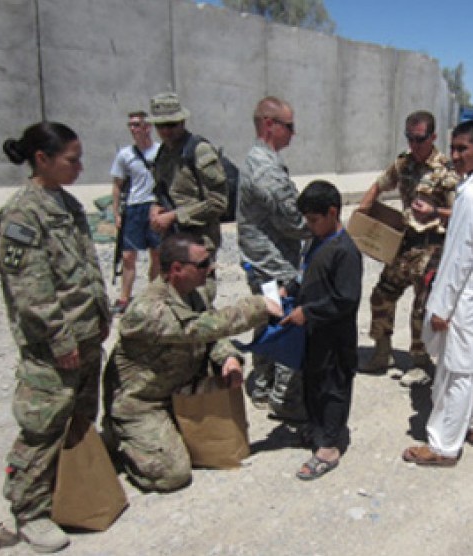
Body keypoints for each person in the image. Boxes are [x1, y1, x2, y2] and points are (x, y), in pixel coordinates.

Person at [0, 122, 112, 553]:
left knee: (80, 417)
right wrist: (59, 340)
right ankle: (29, 511)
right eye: (71, 159)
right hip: (53, 347)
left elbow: (85, 268)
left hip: (84, 336)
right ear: (42, 159)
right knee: (43, 428)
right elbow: (32, 293)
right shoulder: (23, 214)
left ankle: (70, 491)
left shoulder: (67, 204)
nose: (79, 167)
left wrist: (100, 314)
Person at [101, 233, 282, 492]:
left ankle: (168, 432)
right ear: (176, 269)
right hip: (144, 402)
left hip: (181, 391)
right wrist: (258, 306)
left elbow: (211, 334)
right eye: (202, 265)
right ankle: (119, 437)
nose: (209, 270)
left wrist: (228, 358)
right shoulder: (147, 310)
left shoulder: (192, 294)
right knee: (172, 475)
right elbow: (198, 328)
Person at [402, 120, 473, 466]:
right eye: (453, 148)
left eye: (463, 149)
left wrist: (442, 307)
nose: (456, 155)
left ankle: (444, 445)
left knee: (457, 369)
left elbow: (459, 257)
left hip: (469, 294)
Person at [357, 110, 460, 387]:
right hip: (405, 243)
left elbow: (462, 212)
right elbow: (379, 184)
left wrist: (435, 210)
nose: (414, 144)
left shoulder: (446, 170)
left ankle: (420, 362)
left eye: (420, 139)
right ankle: (382, 353)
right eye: (409, 138)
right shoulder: (404, 164)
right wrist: (361, 214)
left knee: (422, 307)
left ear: (433, 137)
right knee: (382, 295)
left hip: (433, 245)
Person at [279, 181, 363, 480]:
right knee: (313, 383)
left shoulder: (346, 252)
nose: (309, 226)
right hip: (314, 335)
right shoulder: (316, 241)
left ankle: (329, 447)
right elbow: (305, 275)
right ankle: (317, 431)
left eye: (314, 219)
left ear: (332, 212)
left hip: (336, 340)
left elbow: (346, 299)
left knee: (333, 388)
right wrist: (288, 289)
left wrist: (309, 312)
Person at [238, 96, 311, 421]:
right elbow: (294, 222)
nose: (294, 134)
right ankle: (286, 400)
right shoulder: (267, 169)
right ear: (270, 125)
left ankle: (262, 386)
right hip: (275, 267)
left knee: (266, 321)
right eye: (290, 126)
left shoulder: (258, 160)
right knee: (287, 328)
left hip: (261, 263)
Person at [147, 92, 227, 300]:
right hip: (173, 242)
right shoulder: (163, 153)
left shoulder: (199, 151)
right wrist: (155, 208)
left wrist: (174, 216)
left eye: (171, 125)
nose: (166, 131)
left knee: (199, 302)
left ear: (182, 121)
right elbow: (161, 190)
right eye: (160, 126)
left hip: (198, 243)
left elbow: (218, 202)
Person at [110, 110, 162, 314]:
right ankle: (124, 297)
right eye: (130, 125)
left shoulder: (160, 151)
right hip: (134, 207)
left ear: (147, 127)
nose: (133, 129)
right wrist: (116, 213)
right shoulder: (125, 155)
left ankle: (153, 295)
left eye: (137, 125)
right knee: (128, 256)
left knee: (156, 254)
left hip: (154, 205)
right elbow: (117, 185)